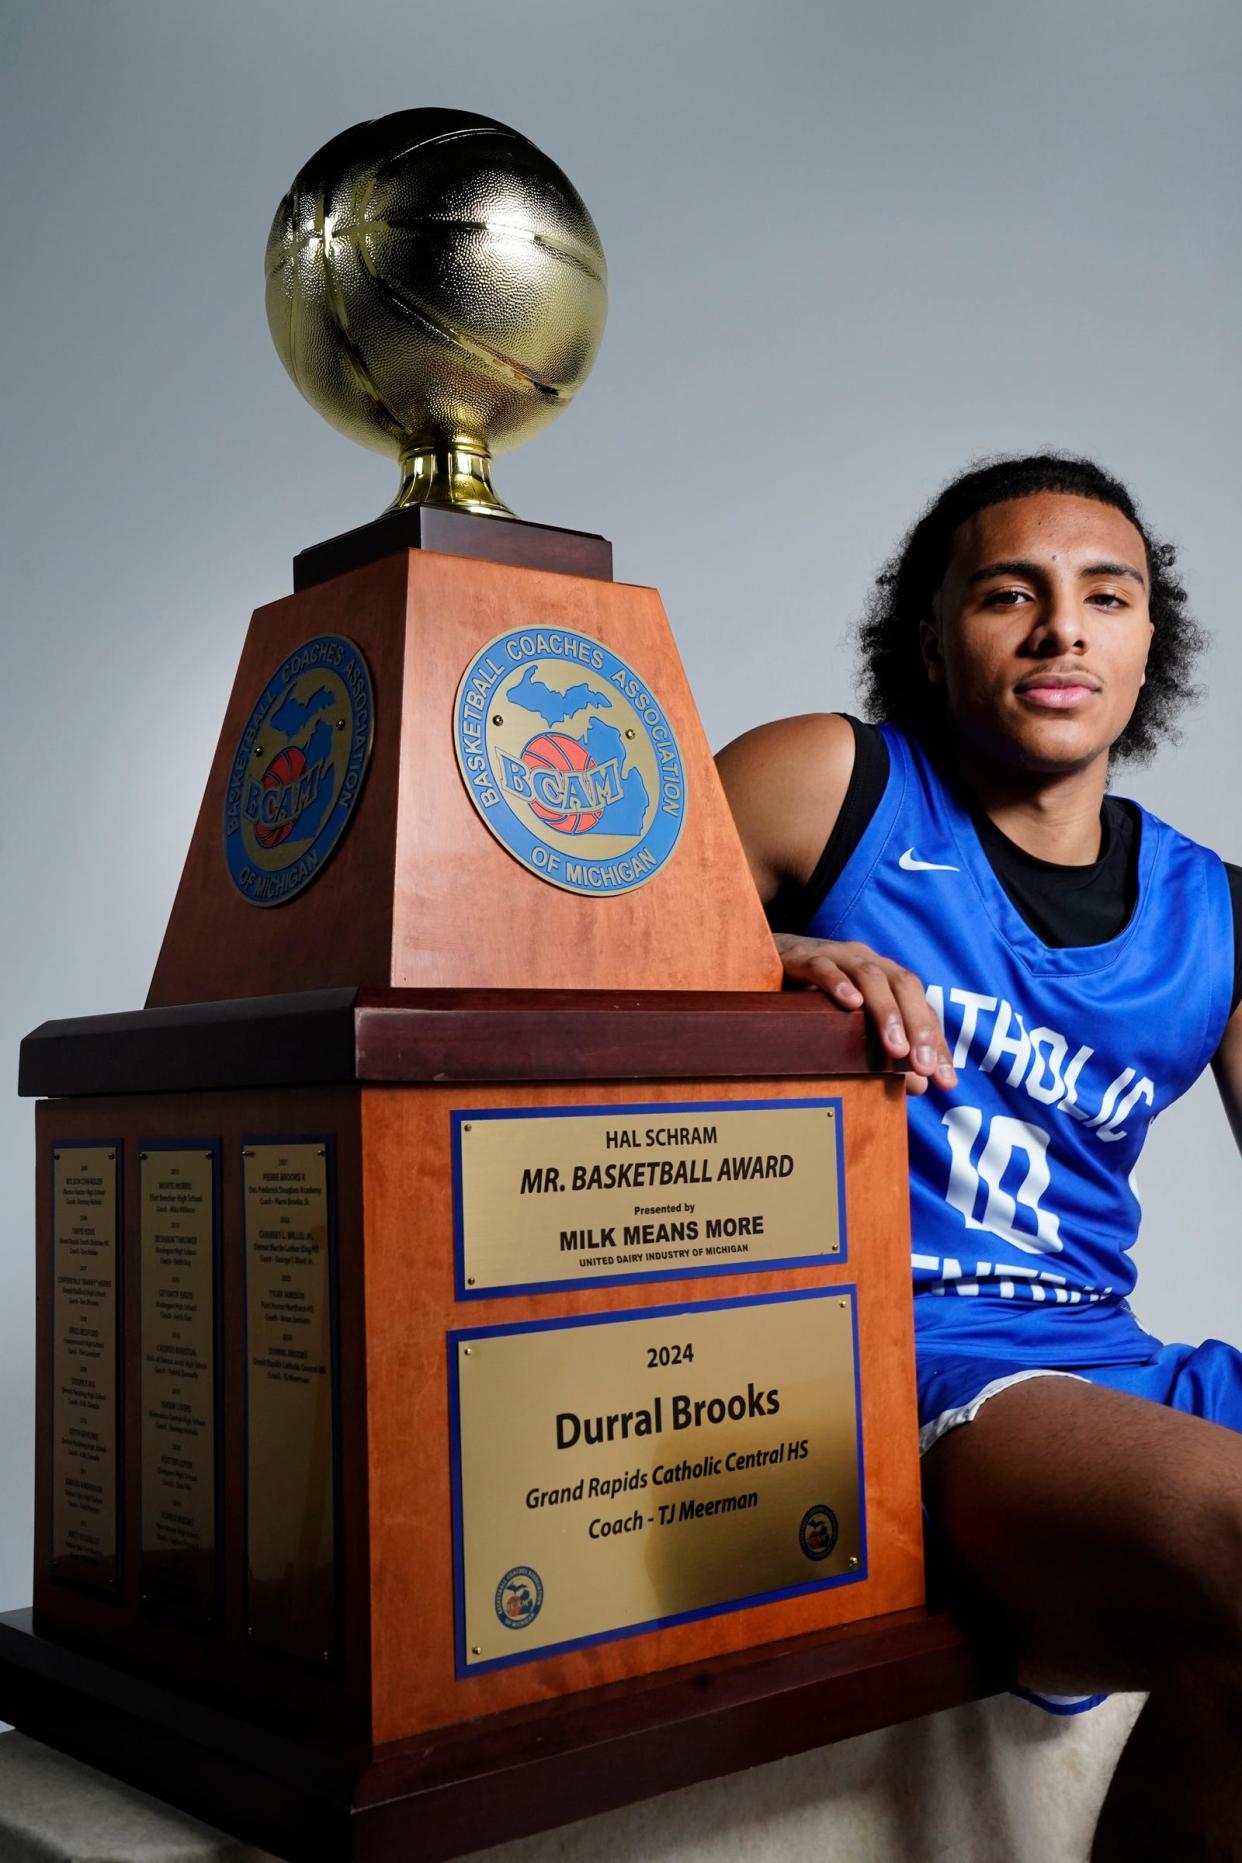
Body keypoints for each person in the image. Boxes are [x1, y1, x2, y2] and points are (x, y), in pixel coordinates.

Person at [715, 454, 1242, 1861]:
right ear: (933, 642)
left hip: (1108, 1361)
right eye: (1009, 594)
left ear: (1145, 647)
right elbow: (546, 958)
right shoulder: (830, 783)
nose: (1060, 627)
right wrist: (769, 957)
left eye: (1103, 597)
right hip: (901, 1358)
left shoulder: (1216, 913)